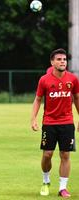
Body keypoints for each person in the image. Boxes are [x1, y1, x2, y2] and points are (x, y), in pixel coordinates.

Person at [31, 48, 79, 198]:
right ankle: (46, 181)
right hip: (49, 122)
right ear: (52, 62)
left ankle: (62, 188)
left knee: (65, 155)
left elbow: (77, 98)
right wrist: (33, 119)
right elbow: (38, 99)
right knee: (47, 155)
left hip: (67, 123)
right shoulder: (44, 80)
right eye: (59, 59)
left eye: (64, 59)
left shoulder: (73, 79)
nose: (62, 62)